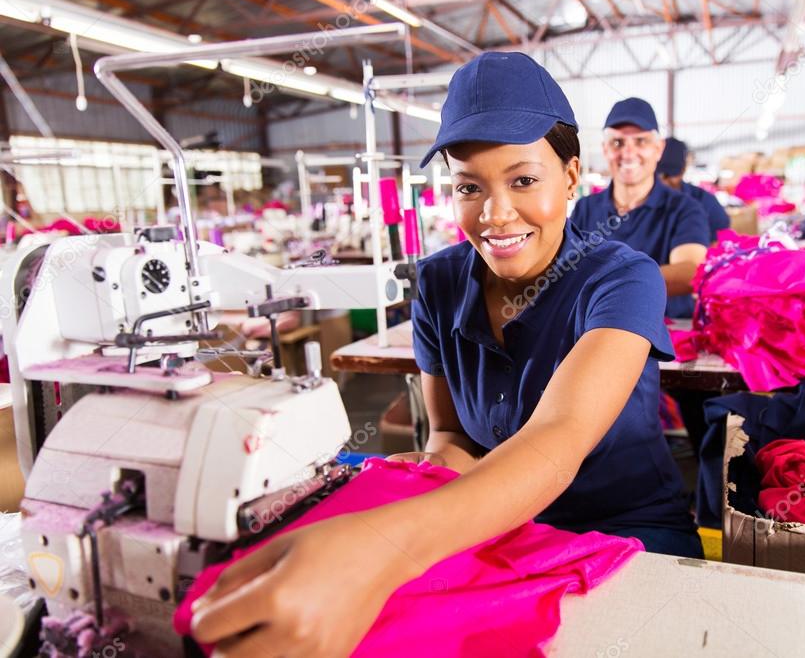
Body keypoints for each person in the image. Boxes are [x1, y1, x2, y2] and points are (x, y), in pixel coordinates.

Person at [189, 52, 702, 658]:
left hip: (626, 531)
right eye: (468, 187)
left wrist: (382, 545)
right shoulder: (436, 284)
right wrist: (417, 486)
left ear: (570, 177)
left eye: (523, 180)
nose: (494, 214)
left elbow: (559, 437)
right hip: (496, 528)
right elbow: (452, 435)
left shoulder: (622, 278)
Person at [570, 98, 709, 319]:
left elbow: (689, 271)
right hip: (596, 328)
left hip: (668, 333)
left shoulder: (685, 209)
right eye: (617, 142)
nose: (627, 153)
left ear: (658, 149)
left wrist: (604, 282)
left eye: (641, 141)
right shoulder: (585, 208)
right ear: (605, 149)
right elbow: (565, 271)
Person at [657, 137, 730, 243]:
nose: (665, 182)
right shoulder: (639, 204)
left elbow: (721, 238)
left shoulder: (705, 201)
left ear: (683, 170)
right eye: (661, 175)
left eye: (671, 175)